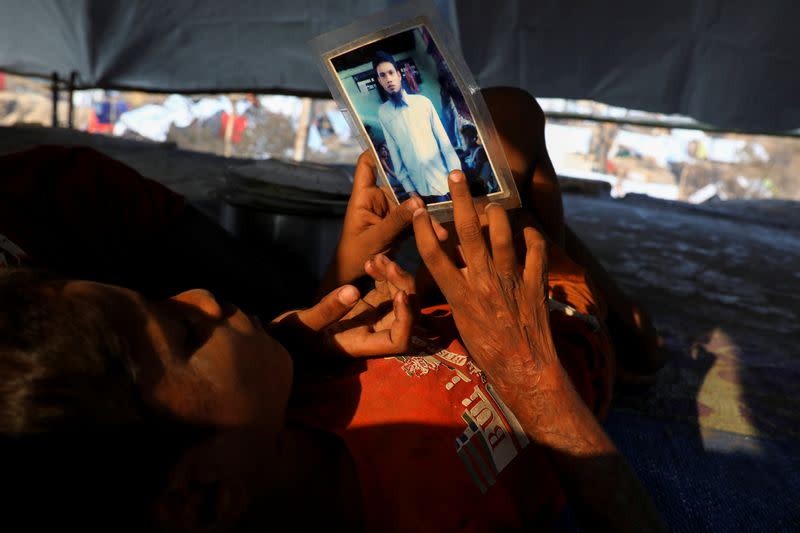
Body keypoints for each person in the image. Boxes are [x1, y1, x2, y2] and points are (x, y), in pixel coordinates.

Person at [0, 88, 665, 531]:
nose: (196, 296)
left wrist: (343, 277)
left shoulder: (262, 422)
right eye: (181, 330)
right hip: (558, 328)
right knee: (519, 191)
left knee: (502, 118)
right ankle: (621, 320)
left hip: (458, 308)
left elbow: (285, 356)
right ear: (203, 496)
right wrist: (534, 384)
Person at [373, 51, 462, 204]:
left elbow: (444, 143)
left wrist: (457, 178)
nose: (388, 79)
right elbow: (395, 153)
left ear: (399, 75)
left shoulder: (423, 102)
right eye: (382, 75)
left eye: (390, 73)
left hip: (444, 183)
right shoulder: (383, 113)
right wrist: (410, 190)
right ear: (380, 81)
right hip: (419, 189)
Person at [459, 123, 498, 196]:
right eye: (462, 138)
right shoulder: (469, 151)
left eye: (465, 138)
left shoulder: (480, 151)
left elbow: (475, 175)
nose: (463, 141)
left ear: (473, 139)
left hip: (482, 188)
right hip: (476, 186)